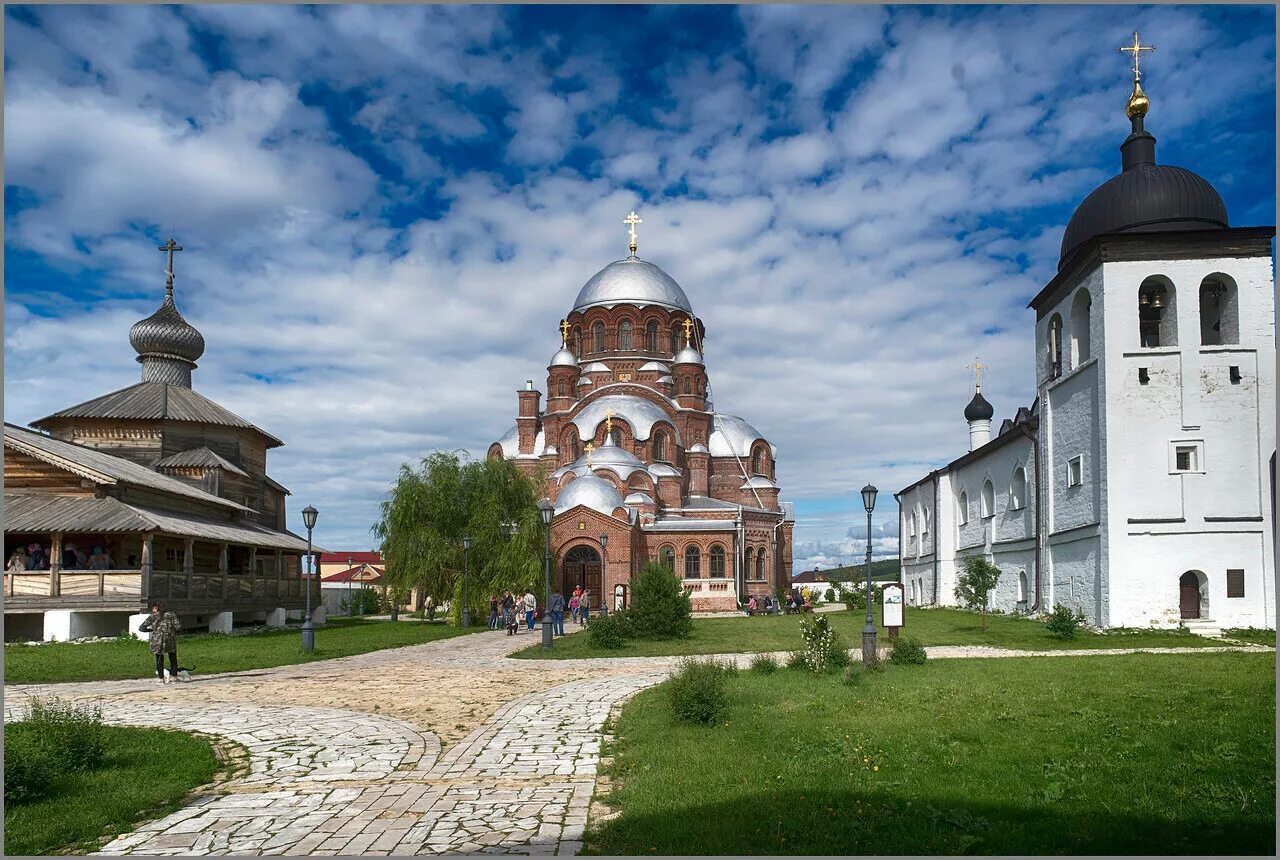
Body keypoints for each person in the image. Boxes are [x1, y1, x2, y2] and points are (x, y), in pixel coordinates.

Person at [139, 601, 180, 684]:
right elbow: (178, 627)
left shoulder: (153, 616)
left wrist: (152, 630)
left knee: (159, 659)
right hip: (169, 639)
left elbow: (142, 628)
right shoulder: (171, 615)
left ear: (155, 608)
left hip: (157, 641)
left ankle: (161, 678)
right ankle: (173, 677)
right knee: (172, 658)